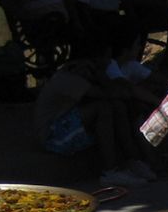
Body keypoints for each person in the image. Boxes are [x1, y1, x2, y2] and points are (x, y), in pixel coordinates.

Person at [33, 34, 158, 188]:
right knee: (103, 108)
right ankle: (110, 171)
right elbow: (111, 93)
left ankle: (132, 161)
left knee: (117, 106)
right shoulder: (69, 77)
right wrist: (102, 75)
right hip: (52, 135)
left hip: (66, 128)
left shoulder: (82, 75)